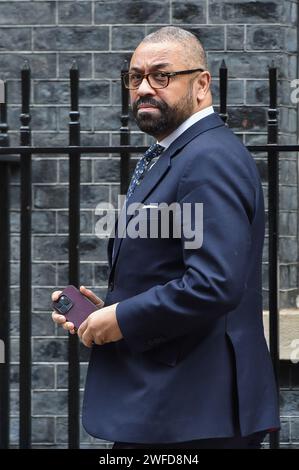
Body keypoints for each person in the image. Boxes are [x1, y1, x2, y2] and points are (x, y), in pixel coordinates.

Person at [52, 26, 280, 449]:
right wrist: (111, 312)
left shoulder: (208, 157)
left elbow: (214, 283)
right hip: (174, 409)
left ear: (201, 84)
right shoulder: (175, 154)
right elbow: (174, 269)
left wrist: (122, 320)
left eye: (161, 76)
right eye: (135, 77)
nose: (144, 88)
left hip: (195, 413)